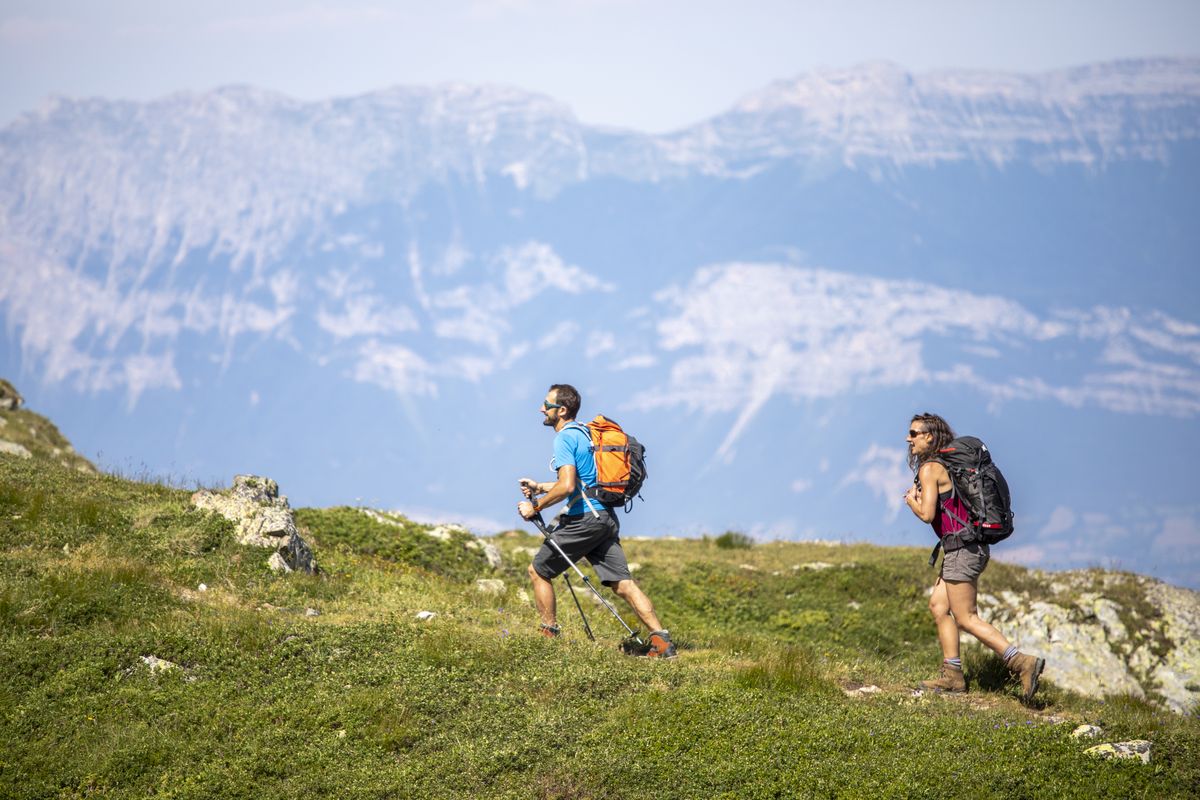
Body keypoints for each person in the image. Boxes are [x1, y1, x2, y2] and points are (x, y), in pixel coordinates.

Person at [517, 383, 677, 658]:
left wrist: (536, 507)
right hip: (604, 517)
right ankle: (662, 643)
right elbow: (581, 481)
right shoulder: (585, 433)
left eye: (547, 405)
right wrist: (540, 486)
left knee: (539, 570)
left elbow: (567, 487)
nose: (541, 409)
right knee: (623, 583)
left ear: (562, 410)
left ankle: (548, 634)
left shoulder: (564, 438)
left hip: (584, 519)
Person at [903, 412, 1045, 702]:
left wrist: (912, 502)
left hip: (962, 550)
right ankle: (953, 675)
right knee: (938, 606)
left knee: (966, 618)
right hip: (965, 548)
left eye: (915, 433)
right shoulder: (945, 465)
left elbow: (928, 514)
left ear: (930, 436)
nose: (909, 439)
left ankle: (1020, 662)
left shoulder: (931, 468)